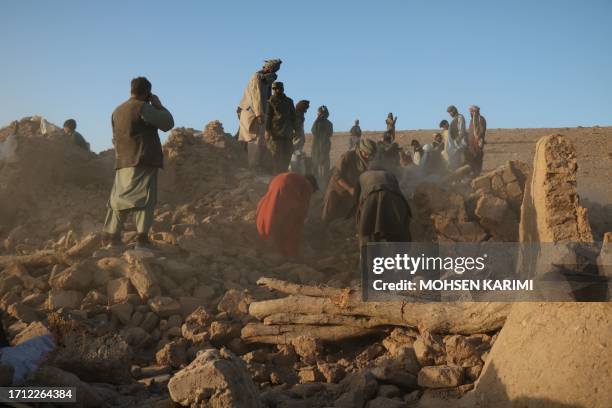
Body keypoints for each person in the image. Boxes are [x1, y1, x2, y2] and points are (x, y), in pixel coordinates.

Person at [102, 77, 174, 248]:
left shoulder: (117, 111)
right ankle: (142, 238)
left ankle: (111, 237)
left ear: (131, 90)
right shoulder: (143, 107)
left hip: (123, 162)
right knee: (145, 199)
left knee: (119, 199)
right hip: (142, 159)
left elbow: (115, 138)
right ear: (148, 93)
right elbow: (167, 123)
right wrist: (158, 105)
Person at [256, 172, 318, 258]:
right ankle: (288, 252)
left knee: (271, 208)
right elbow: (302, 211)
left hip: (276, 181)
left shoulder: (293, 177)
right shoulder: (307, 185)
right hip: (286, 188)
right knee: (292, 220)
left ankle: (265, 234)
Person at [238, 59, 282, 168]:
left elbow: (266, 98)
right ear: (269, 68)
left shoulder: (265, 79)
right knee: (253, 140)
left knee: (259, 141)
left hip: (260, 112)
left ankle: (254, 165)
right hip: (252, 112)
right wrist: (258, 114)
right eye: (274, 69)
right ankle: (251, 166)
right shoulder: (257, 77)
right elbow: (256, 97)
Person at [322, 138, 376, 223]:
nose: (368, 157)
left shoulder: (368, 162)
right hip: (337, 189)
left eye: (370, 155)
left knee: (345, 216)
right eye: (366, 154)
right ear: (361, 150)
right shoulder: (348, 156)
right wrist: (349, 189)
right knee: (328, 214)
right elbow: (336, 175)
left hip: (351, 192)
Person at [355, 166, 412, 248]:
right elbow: (398, 190)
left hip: (371, 200)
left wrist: (359, 221)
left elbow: (357, 199)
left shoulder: (362, 176)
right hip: (394, 200)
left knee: (368, 230)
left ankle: (369, 255)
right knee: (397, 227)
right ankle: (399, 254)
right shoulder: (390, 174)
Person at [265, 82, 296, 175]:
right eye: (274, 89)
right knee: (277, 156)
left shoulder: (289, 101)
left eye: (279, 88)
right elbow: (268, 117)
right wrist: (267, 131)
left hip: (288, 133)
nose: (277, 90)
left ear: (282, 89)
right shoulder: (270, 101)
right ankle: (277, 175)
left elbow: (293, 116)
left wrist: (296, 129)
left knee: (288, 154)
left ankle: (284, 173)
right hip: (276, 133)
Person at [311, 105, 334, 182]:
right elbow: (330, 134)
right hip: (325, 145)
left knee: (316, 162)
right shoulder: (329, 123)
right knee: (324, 163)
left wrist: (317, 119)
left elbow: (313, 131)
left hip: (318, 145)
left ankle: (317, 180)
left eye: (318, 113)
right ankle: (324, 180)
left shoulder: (317, 122)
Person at [290, 100, 310, 174]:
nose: (306, 110)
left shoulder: (300, 114)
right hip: (296, 139)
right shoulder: (296, 115)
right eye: (305, 108)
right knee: (295, 157)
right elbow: (296, 127)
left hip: (299, 139)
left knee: (298, 159)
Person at [467, 105, 487, 176]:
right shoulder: (471, 120)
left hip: (477, 144)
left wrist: (478, 137)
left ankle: (477, 174)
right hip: (471, 145)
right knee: (471, 159)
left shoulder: (481, 119)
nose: (471, 113)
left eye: (472, 111)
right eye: (470, 111)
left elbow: (482, 130)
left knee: (477, 159)